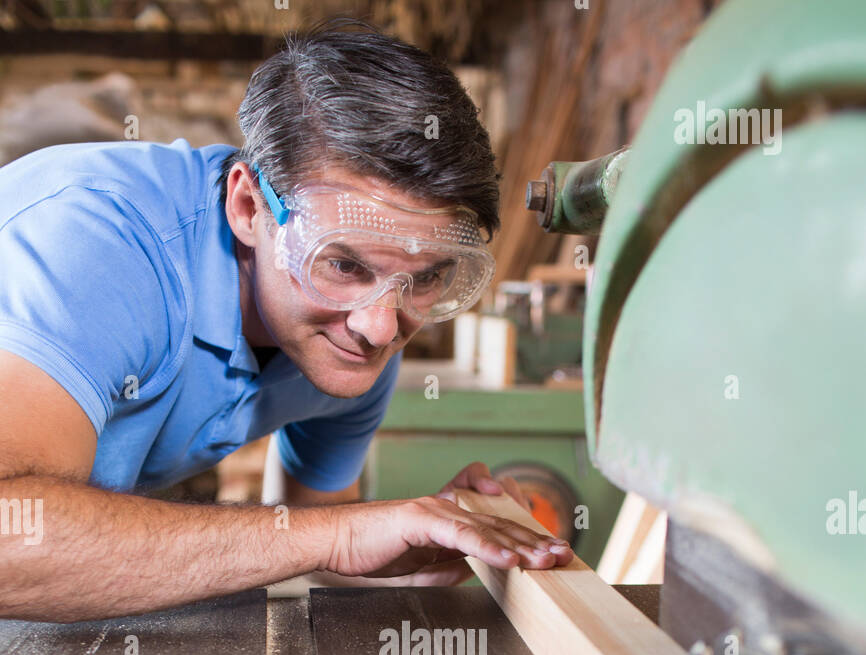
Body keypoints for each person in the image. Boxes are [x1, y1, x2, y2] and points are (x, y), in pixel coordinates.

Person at [0, 18, 572, 623]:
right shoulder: (101, 247)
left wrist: (414, 552)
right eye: (345, 263)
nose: (381, 328)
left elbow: (305, 546)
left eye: (427, 277)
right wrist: (338, 534)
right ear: (249, 207)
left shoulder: (359, 330)